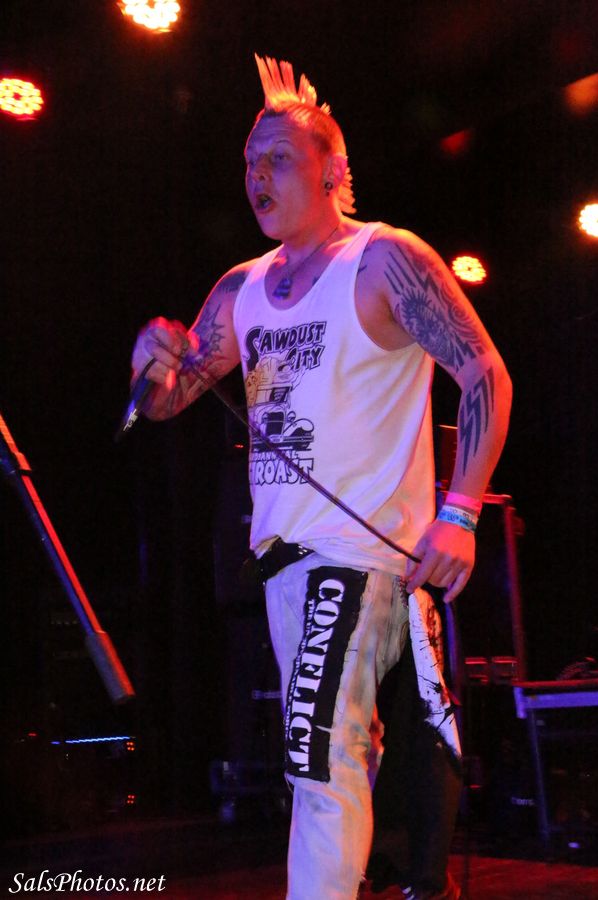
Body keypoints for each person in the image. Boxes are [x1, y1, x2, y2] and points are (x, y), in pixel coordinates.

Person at [130, 56, 512, 900]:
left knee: (318, 754)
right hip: (284, 564)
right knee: (346, 753)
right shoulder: (241, 288)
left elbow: (484, 372)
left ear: (333, 170)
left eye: (278, 159)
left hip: (361, 556)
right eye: (248, 162)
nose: (256, 177)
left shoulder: (382, 261)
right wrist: (149, 363)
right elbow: (168, 400)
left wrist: (461, 513)